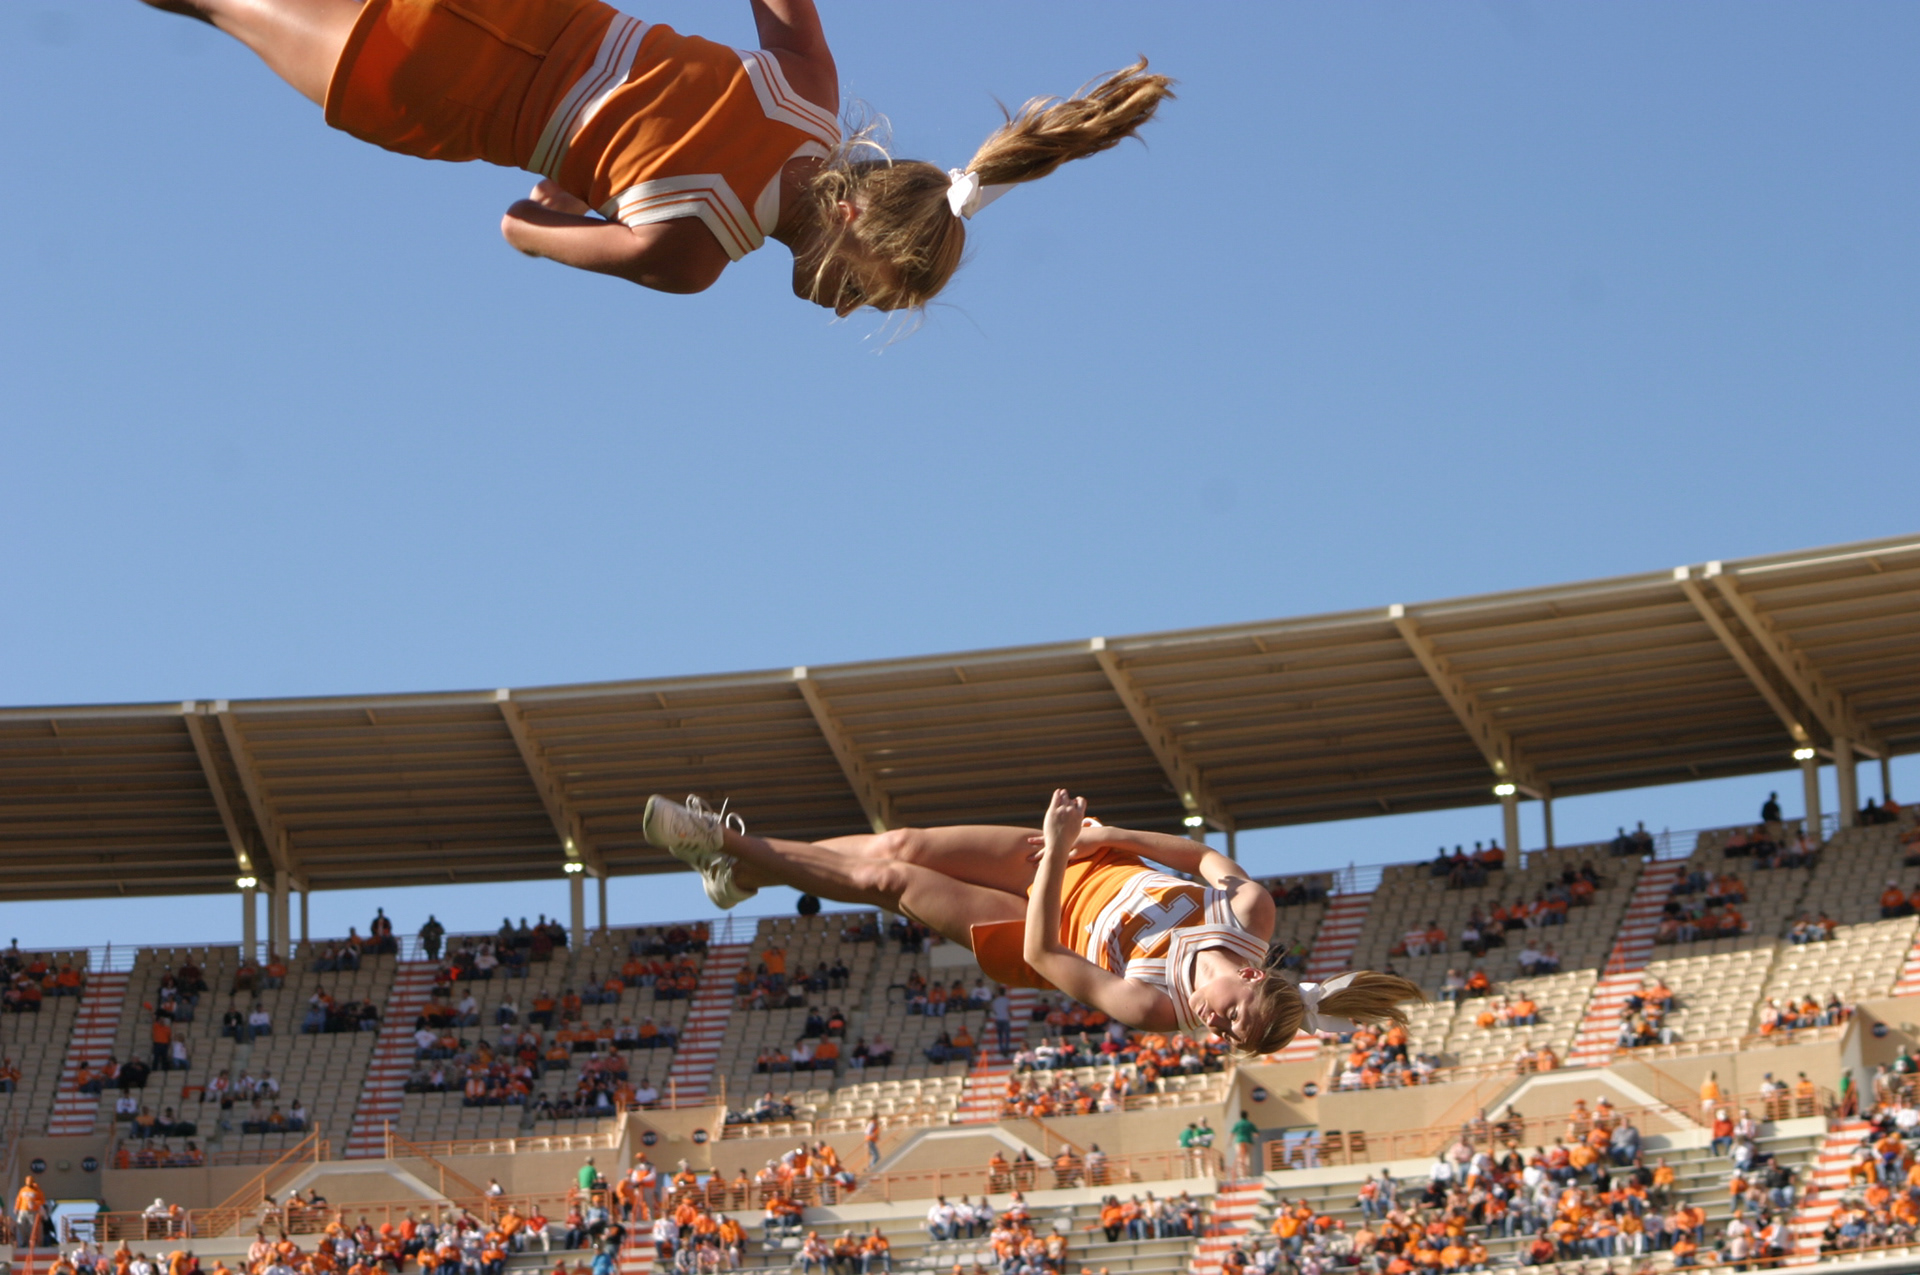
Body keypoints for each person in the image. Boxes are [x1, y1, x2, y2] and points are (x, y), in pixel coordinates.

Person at [133, 0, 1172, 315]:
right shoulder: (691, 254)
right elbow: (519, 230)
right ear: (853, 223)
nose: (847, 311)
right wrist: (558, 187)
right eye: (875, 293)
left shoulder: (805, 89)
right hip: (420, 84)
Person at [645, 790, 1421, 1056]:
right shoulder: (1249, 912)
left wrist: (1053, 852)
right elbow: (1196, 850)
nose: (1215, 1027)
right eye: (1235, 1019)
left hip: (1037, 925)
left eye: (1226, 1037)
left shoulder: (1155, 1007)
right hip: (1075, 862)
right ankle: (741, 869)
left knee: (892, 878)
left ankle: (719, 841)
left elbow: (1047, 948)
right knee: (904, 842)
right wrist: (1104, 840)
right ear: (1254, 976)